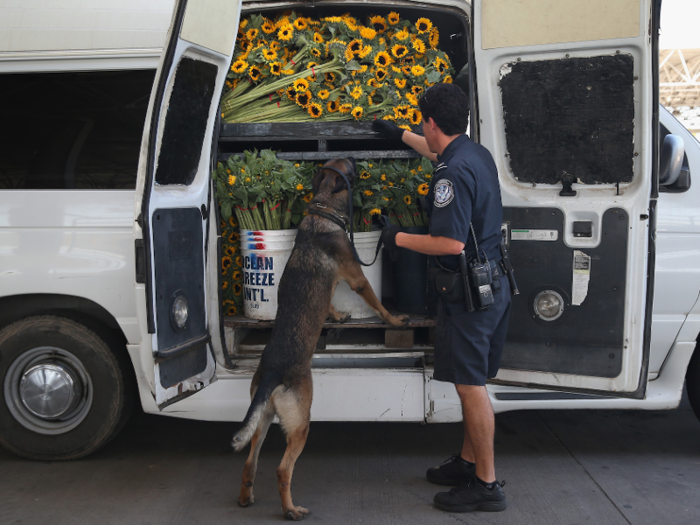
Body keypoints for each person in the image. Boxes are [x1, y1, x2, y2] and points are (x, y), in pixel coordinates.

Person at [374, 83, 511, 513]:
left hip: (469, 294)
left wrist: (397, 237)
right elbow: (433, 150)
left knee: (471, 388)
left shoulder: (449, 176)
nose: (420, 128)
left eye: (420, 123)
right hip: (494, 283)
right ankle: (469, 463)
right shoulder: (474, 154)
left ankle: (486, 486)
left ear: (432, 122)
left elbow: (449, 243)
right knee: (476, 383)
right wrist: (395, 134)